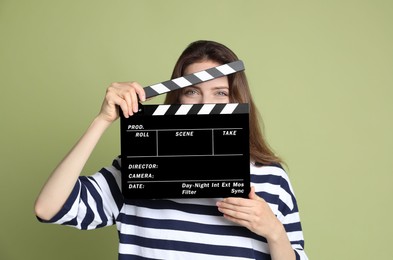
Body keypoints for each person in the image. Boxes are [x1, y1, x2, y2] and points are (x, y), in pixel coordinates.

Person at [35, 40, 308, 260]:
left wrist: (274, 232)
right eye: (192, 92)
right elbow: (49, 208)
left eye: (220, 93)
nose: (205, 104)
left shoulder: (271, 178)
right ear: (177, 99)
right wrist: (102, 120)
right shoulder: (139, 168)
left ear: (237, 99)